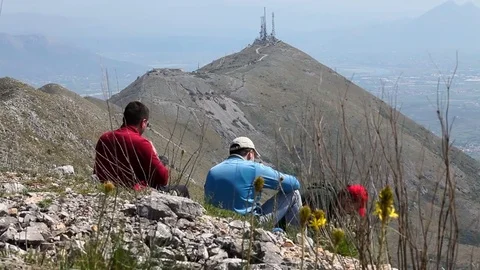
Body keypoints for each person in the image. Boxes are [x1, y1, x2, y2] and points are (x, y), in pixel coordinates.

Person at [93, 101, 190, 198]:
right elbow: (163, 179)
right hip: (133, 192)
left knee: (161, 159)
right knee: (182, 189)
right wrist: (154, 153)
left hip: (106, 188)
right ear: (143, 123)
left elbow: (97, 171)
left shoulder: (104, 138)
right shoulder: (141, 143)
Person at [204, 136, 302, 228]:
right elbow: (294, 183)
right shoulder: (253, 168)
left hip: (216, 220)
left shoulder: (213, 170)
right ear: (250, 154)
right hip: (249, 223)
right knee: (294, 194)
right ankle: (300, 238)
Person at [302, 183, 368, 221]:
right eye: (355, 209)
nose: (351, 213)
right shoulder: (321, 199)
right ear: (349, 200)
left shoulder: (333, 208)